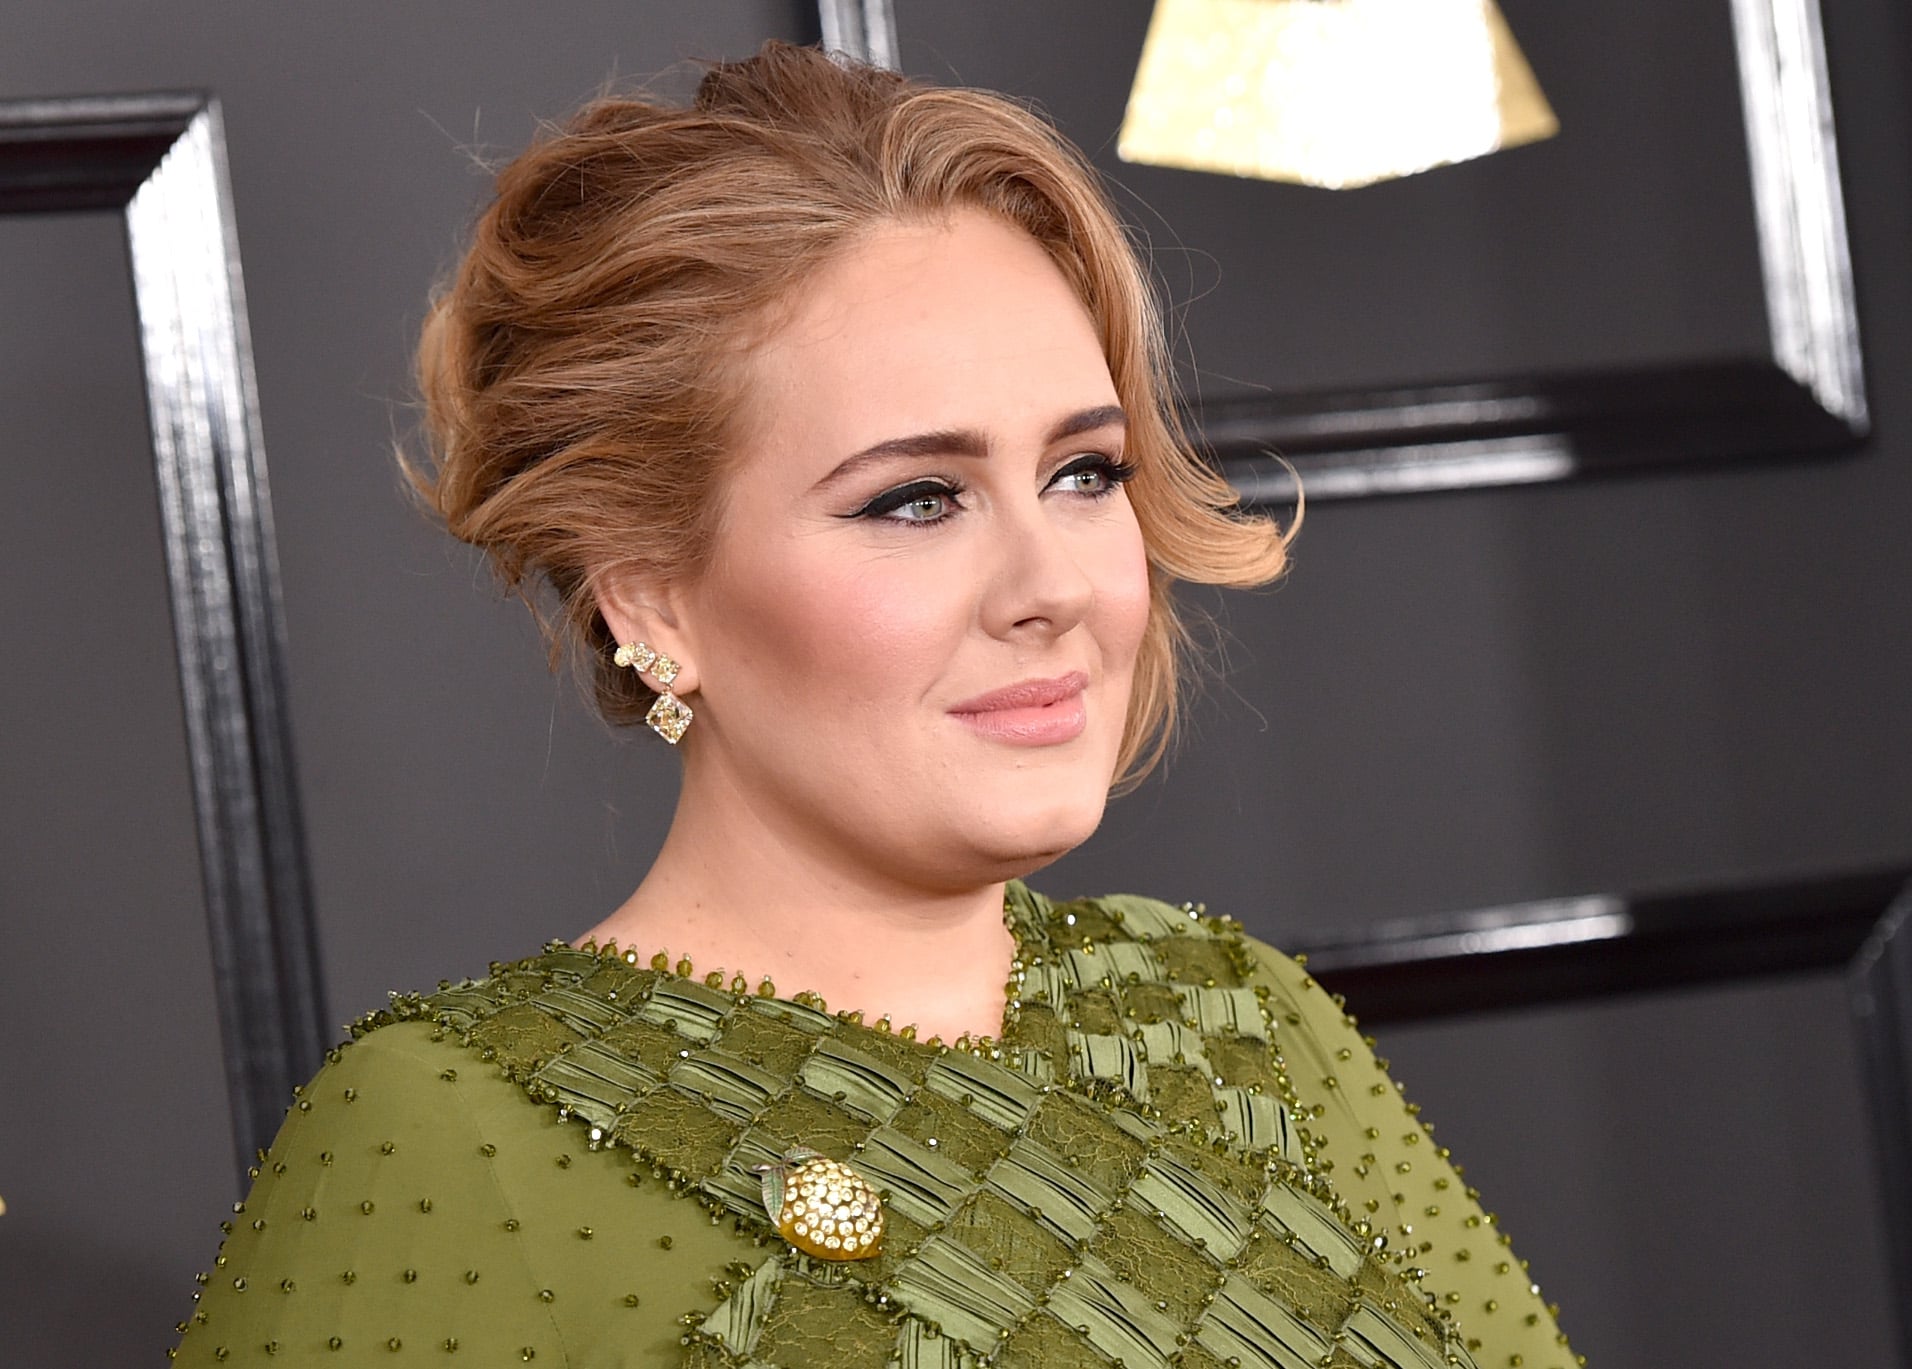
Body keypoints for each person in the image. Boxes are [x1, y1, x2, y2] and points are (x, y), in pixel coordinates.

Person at [172, 41, 1576, 1368]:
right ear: (652, 597)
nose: (1051, 584)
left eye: (1083, 473)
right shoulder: (452, 1128)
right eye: (916, 499)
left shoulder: (1235, 1014)